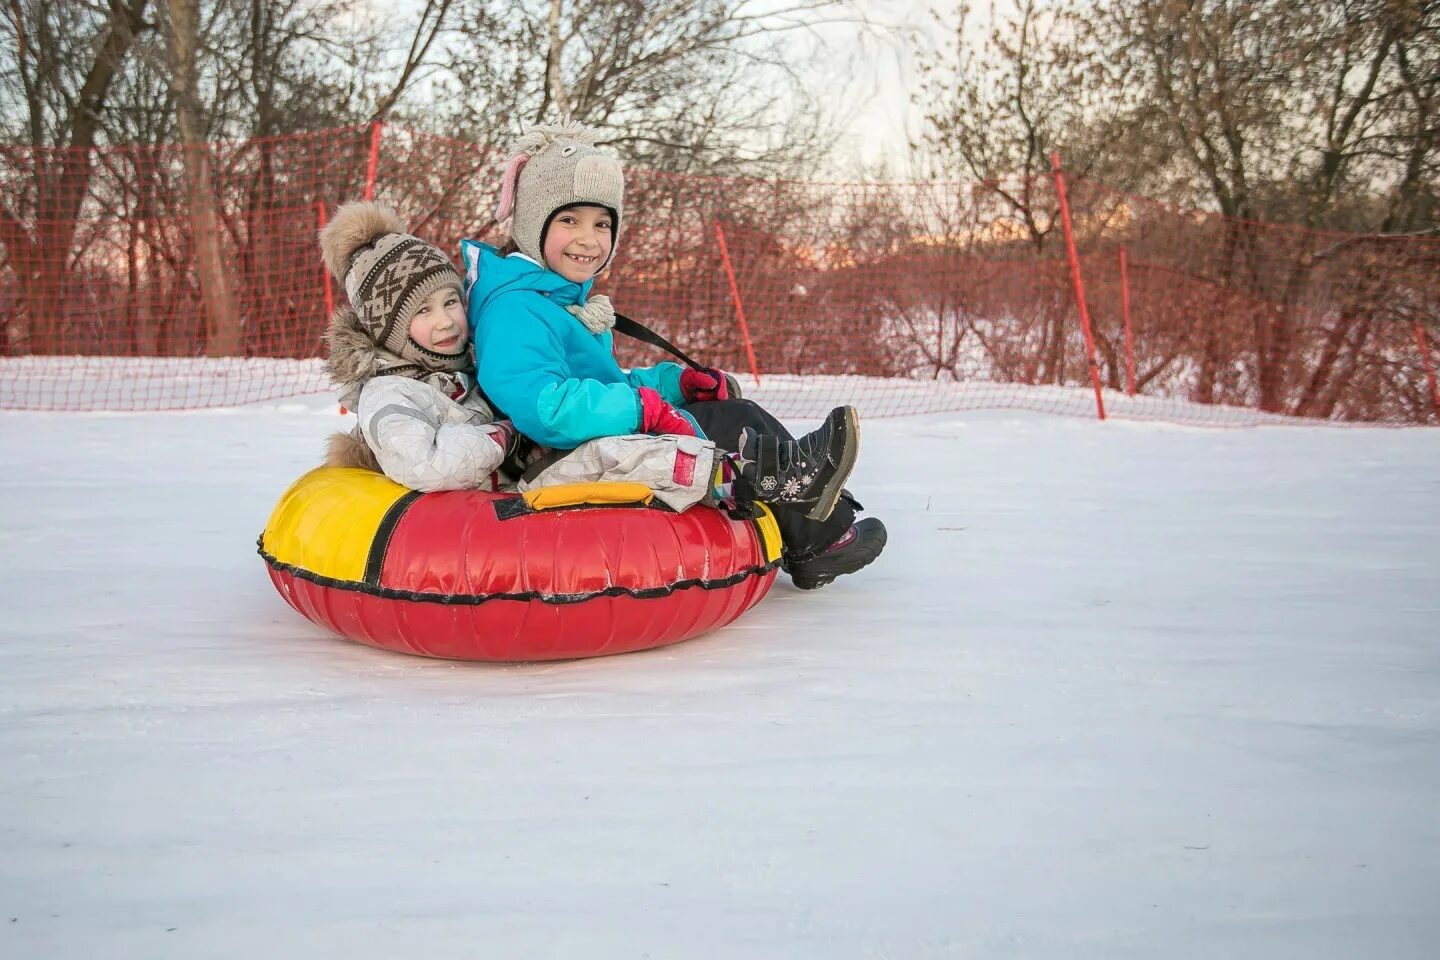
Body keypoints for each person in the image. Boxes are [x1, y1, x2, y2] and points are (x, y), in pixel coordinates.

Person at [464, 124, 887, 589]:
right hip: (552, 455)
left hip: (587, 435)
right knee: (728, 425)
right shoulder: (515, 309)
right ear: (531, 221)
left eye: (601, 224)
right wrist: (639, 409)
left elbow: (603, 385)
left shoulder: (555, 299)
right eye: (569, 220)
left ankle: (815, 511)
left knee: (727, 410)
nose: (588, 239)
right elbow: (545, 408)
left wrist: (673, 386)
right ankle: (818, 532)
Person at [316, 201, 842, 520]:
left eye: (450, 301)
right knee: (630, 452)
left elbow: (587, 381)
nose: (448, 321)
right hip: (511, 491)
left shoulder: (464, 363)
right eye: (423, 311)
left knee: (636, 445)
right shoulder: (390, 393)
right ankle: (750, 478)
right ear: (387, 328)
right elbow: (426, 464)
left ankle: (792, 490)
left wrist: (673, 383)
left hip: (528, 469)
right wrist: (505, 434)